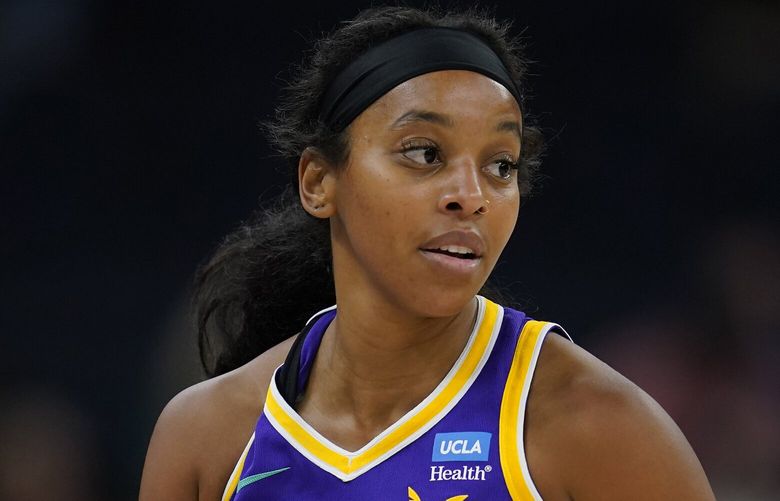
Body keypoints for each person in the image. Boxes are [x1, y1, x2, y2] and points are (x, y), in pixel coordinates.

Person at [139, 6, 715, 500]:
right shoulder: (206, 435)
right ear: (318, 181)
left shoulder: (592, 422)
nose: (471, 197)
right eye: (424, 152)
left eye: (501, 166)